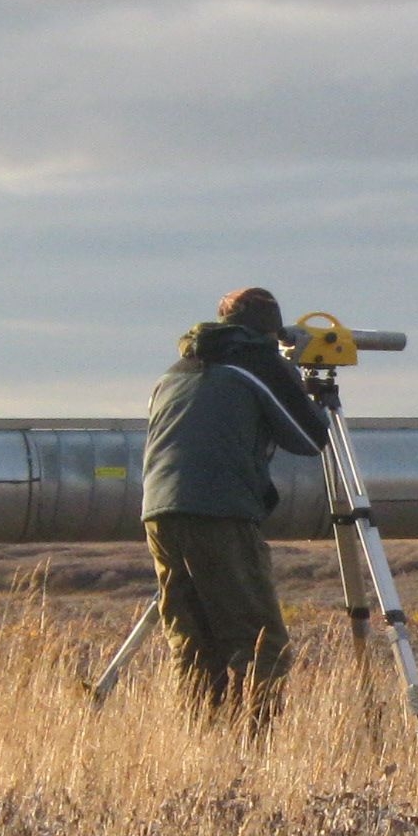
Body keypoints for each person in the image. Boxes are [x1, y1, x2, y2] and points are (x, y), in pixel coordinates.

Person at [140, 287, 328, 723]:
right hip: (220, 511)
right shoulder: (257, 363)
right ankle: (253, 748)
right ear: (268, 330)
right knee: (259, 641)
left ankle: (201, 744)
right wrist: (301, 384)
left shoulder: (178, 367)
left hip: (159, 510)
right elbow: (308, 439)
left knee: (192, 637)